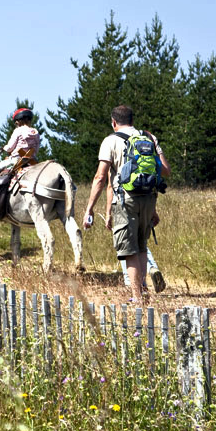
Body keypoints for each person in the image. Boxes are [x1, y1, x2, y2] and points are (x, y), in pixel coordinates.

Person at [83, 104, 171, 301]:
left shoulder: (110, 141)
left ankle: (137, 297)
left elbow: (100, 177)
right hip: (149, 198)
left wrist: (89, 208)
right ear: (132, 120)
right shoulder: (149, 137)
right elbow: (165, 170)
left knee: (129, 250)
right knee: (141, 245)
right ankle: (143, 291)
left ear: (114, 122)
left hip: (125, 200)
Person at [105, 182, 167, 293]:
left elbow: (109, 185)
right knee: (141, 244)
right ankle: (152, 267)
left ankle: (134, 286)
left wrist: (108, 213)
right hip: (147, 200)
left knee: (127, 246)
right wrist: (153, 210)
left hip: (125, 201)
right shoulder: (141, 163)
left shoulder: (115, 164)